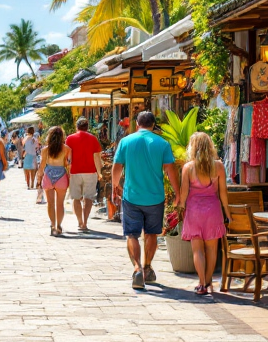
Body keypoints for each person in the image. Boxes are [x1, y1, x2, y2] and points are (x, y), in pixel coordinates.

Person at [112, 111, 181, 291]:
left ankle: (137, 268)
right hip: (155, 197)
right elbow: (170, 170)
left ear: (137, 124)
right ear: (153, 125)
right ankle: (148, 267)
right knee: (151, 234)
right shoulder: (162, 143)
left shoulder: (125, 142)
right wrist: (178, 192)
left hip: (132, 196)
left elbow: (117, 166)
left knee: (132, 235)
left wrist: (114, 185)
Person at [178, 132, 230, 296]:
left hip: (194, 212)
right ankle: (207, 281)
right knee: (212, 250)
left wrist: (179, 209)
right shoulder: (219, 166)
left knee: (197, 250)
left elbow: (184, 194)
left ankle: (201, 284)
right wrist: (228, 214)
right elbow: (223, 194)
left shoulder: (188, 168)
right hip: (213, 211)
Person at [66, 117, 104, 232]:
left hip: (75, 172)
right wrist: (99, 173)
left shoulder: (70, 138)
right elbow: (97, 157)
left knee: (76, 198)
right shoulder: (93, 139)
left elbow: (68, 158)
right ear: (87, 127)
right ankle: (85, 223)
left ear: (76, 127)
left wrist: (67, 172)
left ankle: (80, 222)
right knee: (88, 198)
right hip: (90, 172)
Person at [35, 126, 71, 236]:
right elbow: (68, 165)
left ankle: (52, 224)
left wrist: (39, 179)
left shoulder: (45, 150)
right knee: (60, 204)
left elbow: (42, 166)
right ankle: (59, 225)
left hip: (48, 175)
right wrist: (69, 178)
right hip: (61, 176)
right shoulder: (66, 149)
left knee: (50, 204)